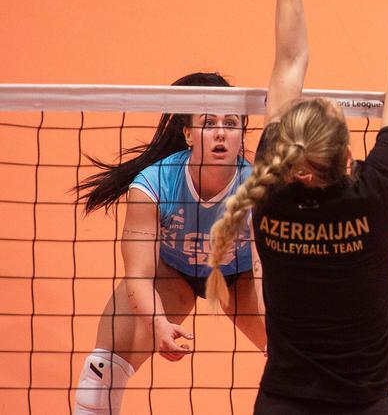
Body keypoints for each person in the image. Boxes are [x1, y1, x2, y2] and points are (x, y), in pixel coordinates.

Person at [206, 0, 388, 415]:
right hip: (365, 402)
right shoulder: (375, 196)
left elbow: (289, 61)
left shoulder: (267, 192)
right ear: (347, 159)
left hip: (283, 400)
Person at [73, 72, 266, 415]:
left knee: (301, 356)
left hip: (241, 278)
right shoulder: (153, 184)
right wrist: (158, 323)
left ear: (242, 133)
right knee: (100, 373)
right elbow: (138, 274)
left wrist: (279, 333)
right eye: (208, 123)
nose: (221, 132)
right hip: (173, 274)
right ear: (188, 134)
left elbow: (263, 268)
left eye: (231, 123)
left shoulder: (259, 188)